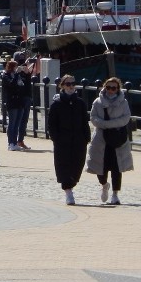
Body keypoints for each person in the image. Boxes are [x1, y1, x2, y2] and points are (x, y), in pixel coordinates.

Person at [87, 77, 134, 205]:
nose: (111, 91)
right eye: (108, 88)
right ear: (104, 88)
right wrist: (105, 125)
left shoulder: (123, 102)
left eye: (114, 88)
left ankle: (115, 194)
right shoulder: (97, 102)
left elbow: (126, 118)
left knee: (116, 167)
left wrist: (111, 124)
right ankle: (104, 184)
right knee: (99, 167)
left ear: (118, 88)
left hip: (118, 139)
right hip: (101, 139)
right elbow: (93, 117)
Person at [47, 75, 91, 205]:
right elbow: (51, 124)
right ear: (62, 85)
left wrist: (86, 137)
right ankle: (68, 191)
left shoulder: (80, 103)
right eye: (68, 84)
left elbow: (85, 121)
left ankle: (72, 183)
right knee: (63, 165)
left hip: (79, 139)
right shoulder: (56, 104)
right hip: (62, 140)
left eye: (73, 83)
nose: (71, 86)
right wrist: (56, 138)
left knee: (78, 164)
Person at [2, 60, 32, 151]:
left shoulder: (18, 75)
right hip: (12, 102)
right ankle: (11, 143)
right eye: (15, 66)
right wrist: (16, 74)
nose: (17, 68)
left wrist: (27, 74)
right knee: (12, 123)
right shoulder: (6, 76)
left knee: (17, 123)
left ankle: (15, 143)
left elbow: (25, 86)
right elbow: (11, 85)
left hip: (20, 102)